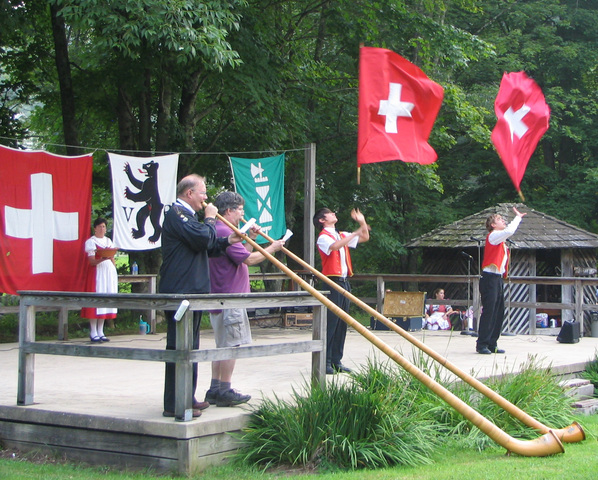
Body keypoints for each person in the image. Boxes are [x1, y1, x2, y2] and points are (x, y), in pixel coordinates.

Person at [159, 174, 242, 419]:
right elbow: (203, 238)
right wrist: (209, 218)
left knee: (191, 347)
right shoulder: (178, 214)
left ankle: (187, 396)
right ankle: (174, 403)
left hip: (192, 291)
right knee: (179, 347)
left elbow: (208, 244)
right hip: (179, 290)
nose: (206, 198)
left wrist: (229, 240)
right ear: (189, 194)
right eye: (203, 193)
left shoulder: (190, 217)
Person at [204, 191, 285, 407]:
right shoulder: (224, 230)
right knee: (232, 344)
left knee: (222, 344)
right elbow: (249, 259)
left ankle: (214, 389)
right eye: (240, 209)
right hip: (230, 297)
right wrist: (272, 248)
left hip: (221, 296)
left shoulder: (223, 231)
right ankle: (225, 389)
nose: (242, 213)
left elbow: (240, 256)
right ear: (229, 211)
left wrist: (253, 237)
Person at [313, 207, 370, 374]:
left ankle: (337, 360)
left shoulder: (341, 234)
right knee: (332, 322)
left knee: (342, 322)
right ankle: (326, 361)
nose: (334, 214)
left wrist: (362, 222)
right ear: (322, 220)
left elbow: (365, 237)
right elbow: (335, 246)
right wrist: (354, 233)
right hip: (332, 282)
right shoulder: (323, 237)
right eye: (330, 213)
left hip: (344, 281)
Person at [476, 206, 526, 355]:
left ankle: (492, 343)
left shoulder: (501, 240)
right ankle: (482, 344)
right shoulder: (493, 235)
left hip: (497, 278)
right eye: (499, 219)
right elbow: (509, 231)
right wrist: (517, 217)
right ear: (492, 225)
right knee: (489, 311)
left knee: (498, 312)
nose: (503, 220)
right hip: (489, 278)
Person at [81, 217, 118, 343]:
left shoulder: (108, 241)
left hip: (108, 273)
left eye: (104, 227)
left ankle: (101, 330)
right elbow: (91, 261)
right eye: (100, 226)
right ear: (95, 228)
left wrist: (114, 270)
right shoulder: (91, 242)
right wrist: (102, 259)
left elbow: (112, 258)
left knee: (105, 301)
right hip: (98, 273)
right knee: (96, 300)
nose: (102, 229)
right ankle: (93, 331)